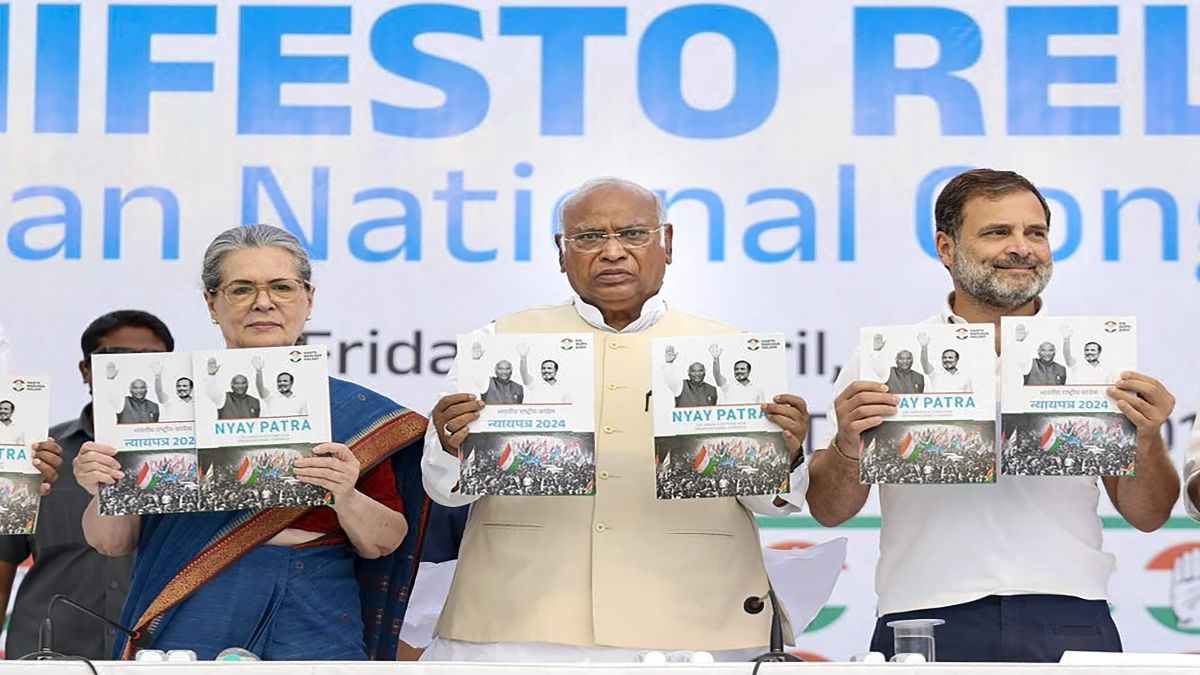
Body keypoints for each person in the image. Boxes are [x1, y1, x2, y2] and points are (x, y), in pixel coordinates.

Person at [422, 177, 811, 662]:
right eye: (588, 237)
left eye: (632, 234)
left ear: (666, 244)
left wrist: (787, 455)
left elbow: (773, 503)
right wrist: (449, 443)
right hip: (518, 625)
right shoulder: (498, 342)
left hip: (696, 625)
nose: (611, 252)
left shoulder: (730, 349)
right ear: (560, 252)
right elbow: (444, 490)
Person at [805, 168, 1179, 663]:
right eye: (997, 232)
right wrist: (848, 446)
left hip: (1069, 610)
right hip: (924, 614)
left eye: (1036, 233)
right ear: (945, 248)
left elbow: (1149, 516)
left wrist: (1148, 438)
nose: (1021, 247)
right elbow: (830, 510)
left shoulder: (1102, 359)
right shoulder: (879, 360)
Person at [73, 225, 429, 661]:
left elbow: (384, 542)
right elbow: (112, 542)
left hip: (313, 606)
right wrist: (103, 488)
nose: (264, 302)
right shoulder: (167, 402)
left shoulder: (353, 414)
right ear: (212, 302)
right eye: (241, 289)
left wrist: (345, 495)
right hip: (194, 600)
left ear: (308, 299)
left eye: (282, 286)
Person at [0, 310, 163, 660]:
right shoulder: (37, 455)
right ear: (85, 371)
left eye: (150, 361)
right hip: (45, 655)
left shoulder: (191, 463)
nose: (132, 373)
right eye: (116, 361)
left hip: (161, 657)